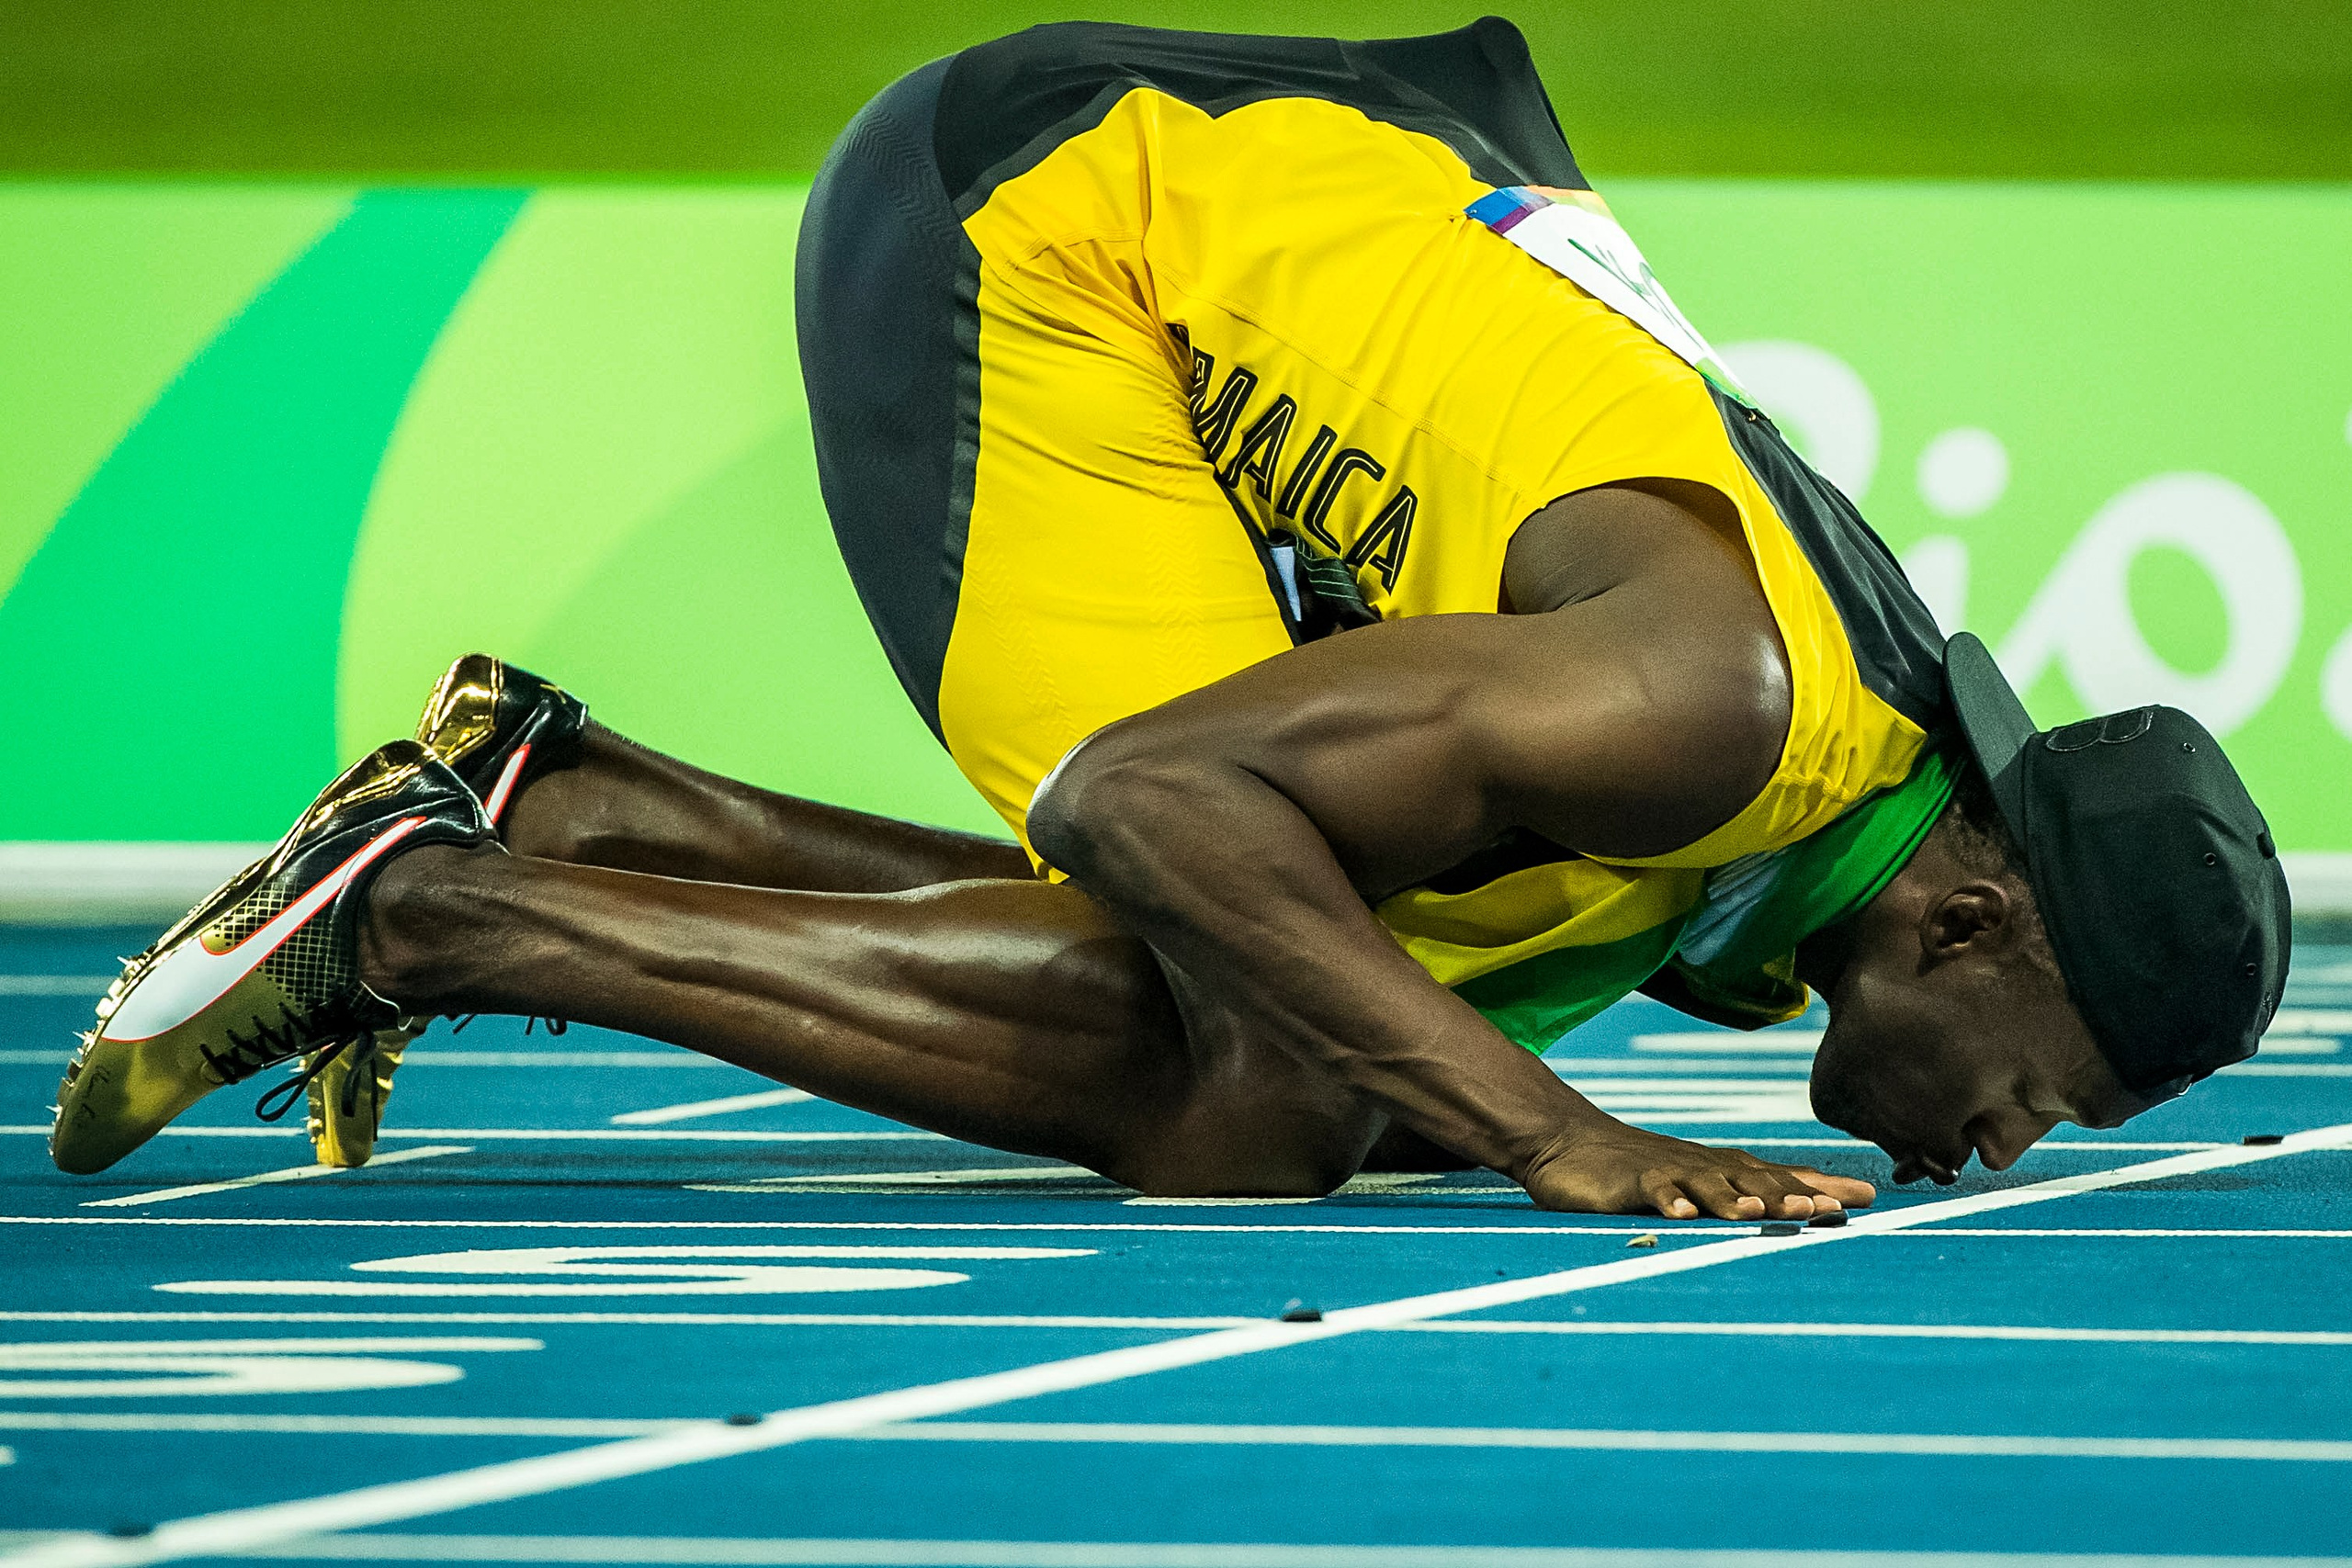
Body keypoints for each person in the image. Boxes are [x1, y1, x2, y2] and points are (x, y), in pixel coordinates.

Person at [50, 19, 2290, 1219]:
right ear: (1969, 920)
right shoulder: (1716, 712)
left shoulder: (1787, 823)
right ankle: (433, 911)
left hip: (1272, 190)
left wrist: (1479, 1079)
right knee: (1277, 1070)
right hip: (1037, 229)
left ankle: (571, 797)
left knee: (1350, 1010)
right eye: (2049, 1093)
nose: (2002, 1142)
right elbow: (1145, 800)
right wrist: (1553, 1128)